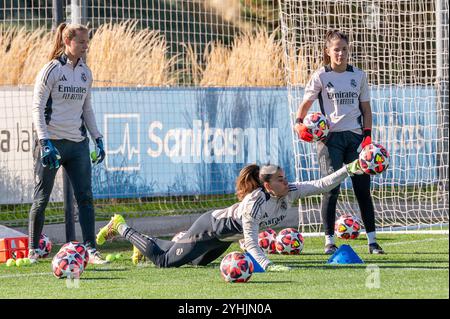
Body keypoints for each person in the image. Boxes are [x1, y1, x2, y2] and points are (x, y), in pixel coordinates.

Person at [95, 160, 365, 271]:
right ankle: (121, 227)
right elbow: (250, 242)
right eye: (281, 180)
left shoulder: (288, 192)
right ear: (267, 185)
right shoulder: (253, 205)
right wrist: (270, 266)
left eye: (286, 178)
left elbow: (321, 184)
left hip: (222, 240)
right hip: (211, 228)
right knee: (166, 262)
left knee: (196, 262)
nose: (288, 182)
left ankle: (159, 242)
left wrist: (349, 168)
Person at [294, 30, 384, 255]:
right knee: (330, 189)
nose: (341, 54)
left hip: (355, 140)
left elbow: (366, 109)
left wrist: (367, 135)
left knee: (362, 190)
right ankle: (329, 241)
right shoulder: (321, 76)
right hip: (329, 140)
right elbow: (306, 104)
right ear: (328, 51)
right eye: (336, 49)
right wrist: (298, 123)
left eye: (344, 49)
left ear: (348, 50)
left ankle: (372, 242)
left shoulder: (359, 76)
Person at [27, 23, 107, 264]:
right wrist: (44, 142)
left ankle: (91, 249)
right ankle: (33, 249)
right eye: (81, 41)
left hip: (77, 144)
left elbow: (87, 109)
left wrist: (98, 138)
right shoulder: (51, 70)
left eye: (87, 41)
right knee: (41, 198)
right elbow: (37, 108)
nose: (86, 45)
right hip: (51, 144)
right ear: (67, 41)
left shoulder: (86, 73)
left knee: (85, 197)